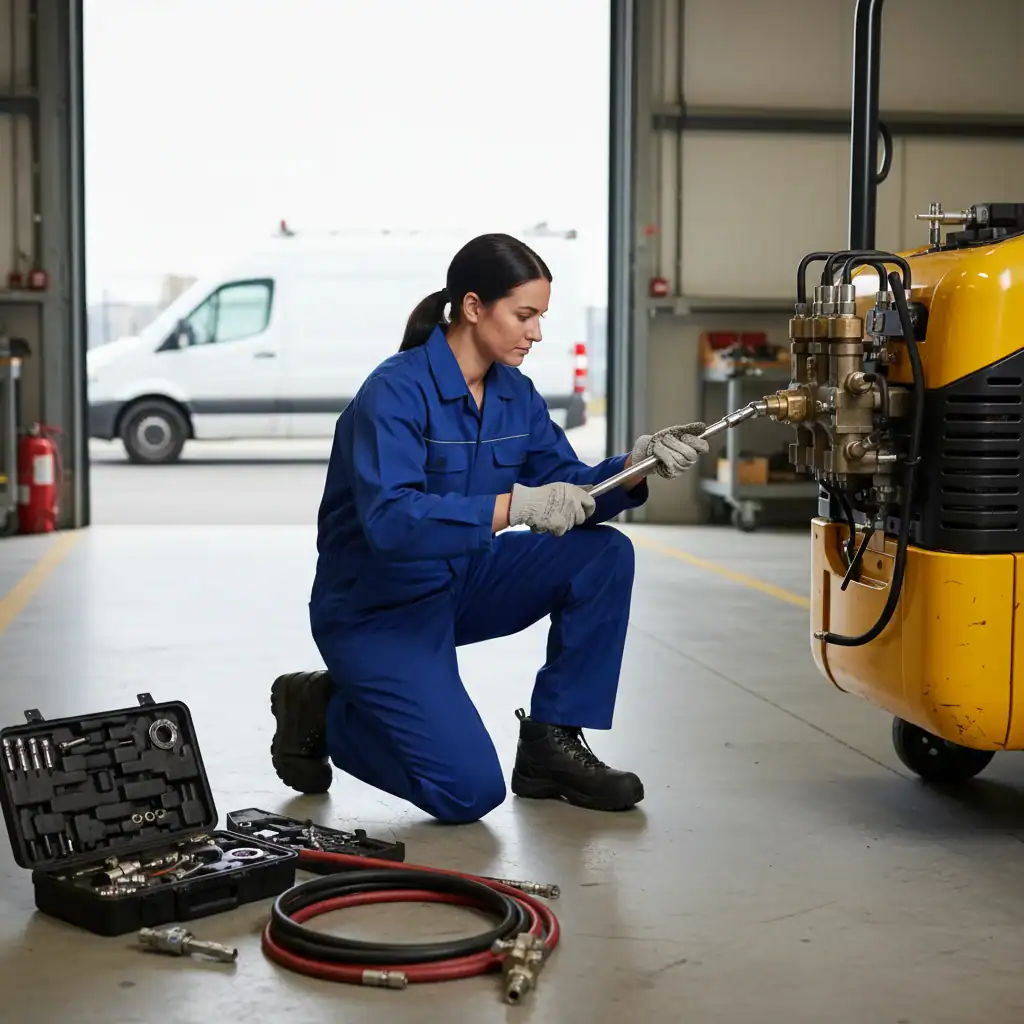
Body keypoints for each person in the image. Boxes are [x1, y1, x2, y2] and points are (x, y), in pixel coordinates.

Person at [269, 233, 709, 825]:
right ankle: (323, 709)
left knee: (601, 555)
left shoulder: (514, 396)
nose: (536, 332)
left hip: (463, 582)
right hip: (378, 611)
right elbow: (391, 523)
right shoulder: (394, 393)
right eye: (524, 315)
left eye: (540, 317)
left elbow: (567, 489)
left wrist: (633, 469)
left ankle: (551, 745)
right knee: (468, 792)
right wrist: (513, 507)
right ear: (474, 307)